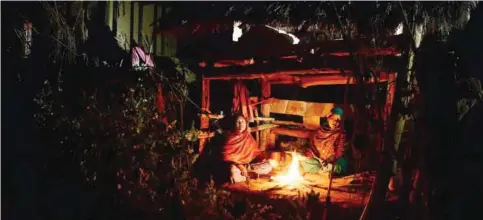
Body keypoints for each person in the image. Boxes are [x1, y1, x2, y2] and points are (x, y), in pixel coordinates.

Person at [195, 114, 272, 184]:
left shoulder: (248, 137)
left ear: (246, 124)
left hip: (248, 166)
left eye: (242, 122)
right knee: (232, 171)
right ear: (234, 124)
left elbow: (255, 153)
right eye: (238, 122)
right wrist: (240, 167)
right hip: (236, 167)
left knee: (268, 166)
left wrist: (261, 159)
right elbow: (227, 157)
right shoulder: (230, 138)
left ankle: (248, 174)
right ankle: (249, 176)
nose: (241, 124)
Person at [301, 107, 347, 175]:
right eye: (333, 118)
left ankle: (327, 171)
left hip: (331, 161)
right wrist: (312, 155)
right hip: (318, 160)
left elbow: (340, 151)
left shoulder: (340, 134)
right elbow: (312, 147)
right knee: (306, 162)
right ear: (328, 118)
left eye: (338, 120)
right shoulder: (319, 131)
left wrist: (329, 161)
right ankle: (323, 170)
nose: (335, 122)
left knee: (343, 165)